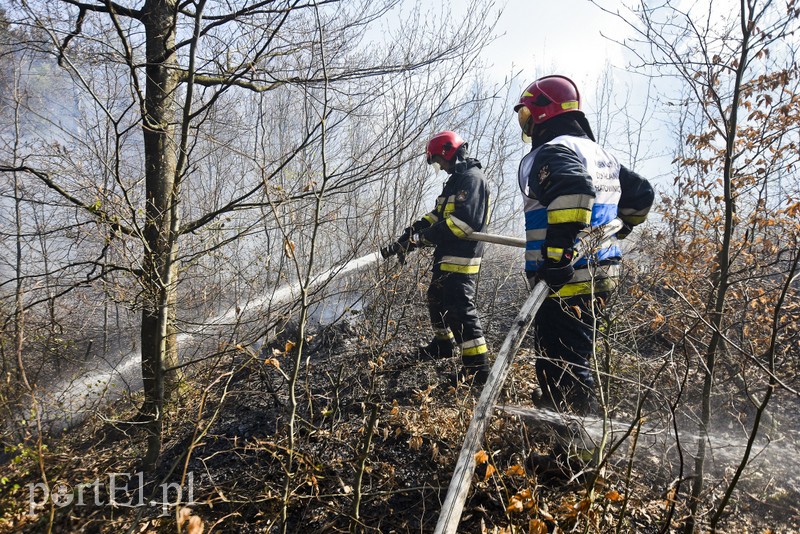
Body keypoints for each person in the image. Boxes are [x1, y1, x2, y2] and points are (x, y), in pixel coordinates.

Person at [513, 75, 654, 416]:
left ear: (543, 112)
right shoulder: (600, 154)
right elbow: (641, 196)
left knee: (565, 365)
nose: (527, 126)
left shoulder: (552, 151)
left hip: (566, 278)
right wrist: (614, 232)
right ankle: (559, 430)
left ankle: (579, 448)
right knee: (570, 356)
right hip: (600, 273)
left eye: (527, 116)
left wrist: (558, 255)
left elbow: (573, 190)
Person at [381, 131, 492, 387]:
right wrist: (408, 235)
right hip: (447, 256)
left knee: (461, 311)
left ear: (448, 151)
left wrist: (421, 239)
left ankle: (478, 370)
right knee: (436, 299)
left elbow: (464, 223)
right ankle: (443, 345)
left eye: (439, 161)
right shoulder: (455, 181)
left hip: (462, 258)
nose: (440, 167)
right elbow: (437, 216)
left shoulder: (472, 179)